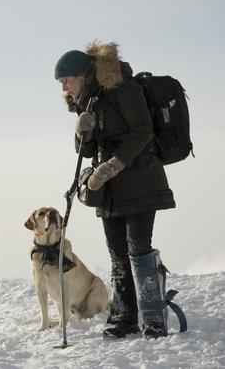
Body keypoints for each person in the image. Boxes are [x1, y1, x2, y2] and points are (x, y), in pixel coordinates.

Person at [54, 41, 175, 339]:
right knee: (118, 253)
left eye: (66, 81)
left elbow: (143, 130)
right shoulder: (89, 101)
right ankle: (124, 318)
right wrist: (81, 132)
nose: (65, 89)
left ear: (82, 75)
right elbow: (88, 150)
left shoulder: (122, 88)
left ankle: (153, 318)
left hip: (141, 182)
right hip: (109, 190)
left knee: (138, 249)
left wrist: (112, 166)